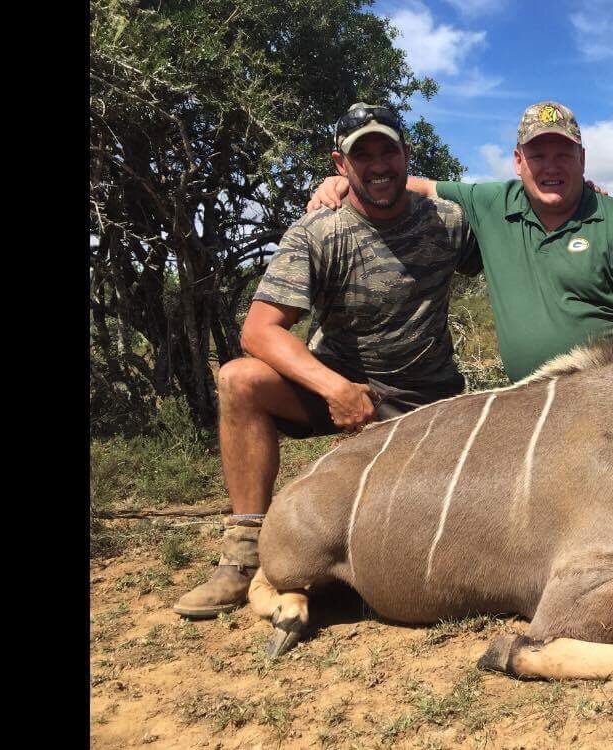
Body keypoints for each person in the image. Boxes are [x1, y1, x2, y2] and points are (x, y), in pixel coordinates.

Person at [173, 103, 481, 618]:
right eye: (364, 155)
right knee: (239, 379)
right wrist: (334, 387)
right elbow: (258, 330)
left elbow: (518, 235)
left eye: (389, 151)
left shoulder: (446, 221)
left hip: (430, 404)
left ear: (407, 156)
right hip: (338, 393)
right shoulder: (318, 232)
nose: (378, 165)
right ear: (341, 165)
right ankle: (244, 552)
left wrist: (585, 200)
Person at [309, 101, 613, 382]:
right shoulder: (490, 202)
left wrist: (595, 391)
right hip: (526, 403)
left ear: (582, 159)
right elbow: (415, 184)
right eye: (538, 155)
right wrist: (345, 183)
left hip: (611, 389)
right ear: (518, 161)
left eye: (563, 154)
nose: (551, 166)